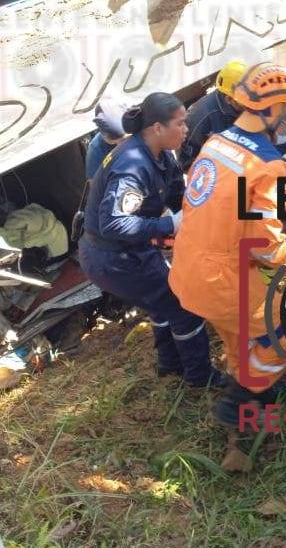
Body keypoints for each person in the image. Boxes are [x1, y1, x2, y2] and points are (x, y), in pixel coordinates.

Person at [169, 63, 286, 427]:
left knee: (240, 338)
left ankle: (257, 398)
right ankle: (241, 397)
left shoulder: (216, 142)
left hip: (188, 268)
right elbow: (264, 241)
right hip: (224, 277)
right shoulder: (268, 166)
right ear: (273, 110)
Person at [79, 92, 216, 387]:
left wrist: (198, 219)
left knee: (161, 302)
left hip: (131, 250)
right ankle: (200, 378)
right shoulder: (132, 164)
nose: (186, 129)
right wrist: (170, 223)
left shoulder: (162, 152)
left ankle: (170, 364)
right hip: (113, 257)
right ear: (157, 127)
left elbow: (179, 194)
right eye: (179, 123)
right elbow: (114, 223)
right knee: (183, 304)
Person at [178, 60, 247, 173]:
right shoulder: (201, 116)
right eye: (244, 99)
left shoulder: (245, 105)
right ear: (229, 99)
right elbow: (187, 162)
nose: (249, 102)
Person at [85, 99, 127, 179]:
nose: (120, 146)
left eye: (124, 140)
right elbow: (94, 187)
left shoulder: (140, 132)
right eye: (114, 143)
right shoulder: (96, 149)